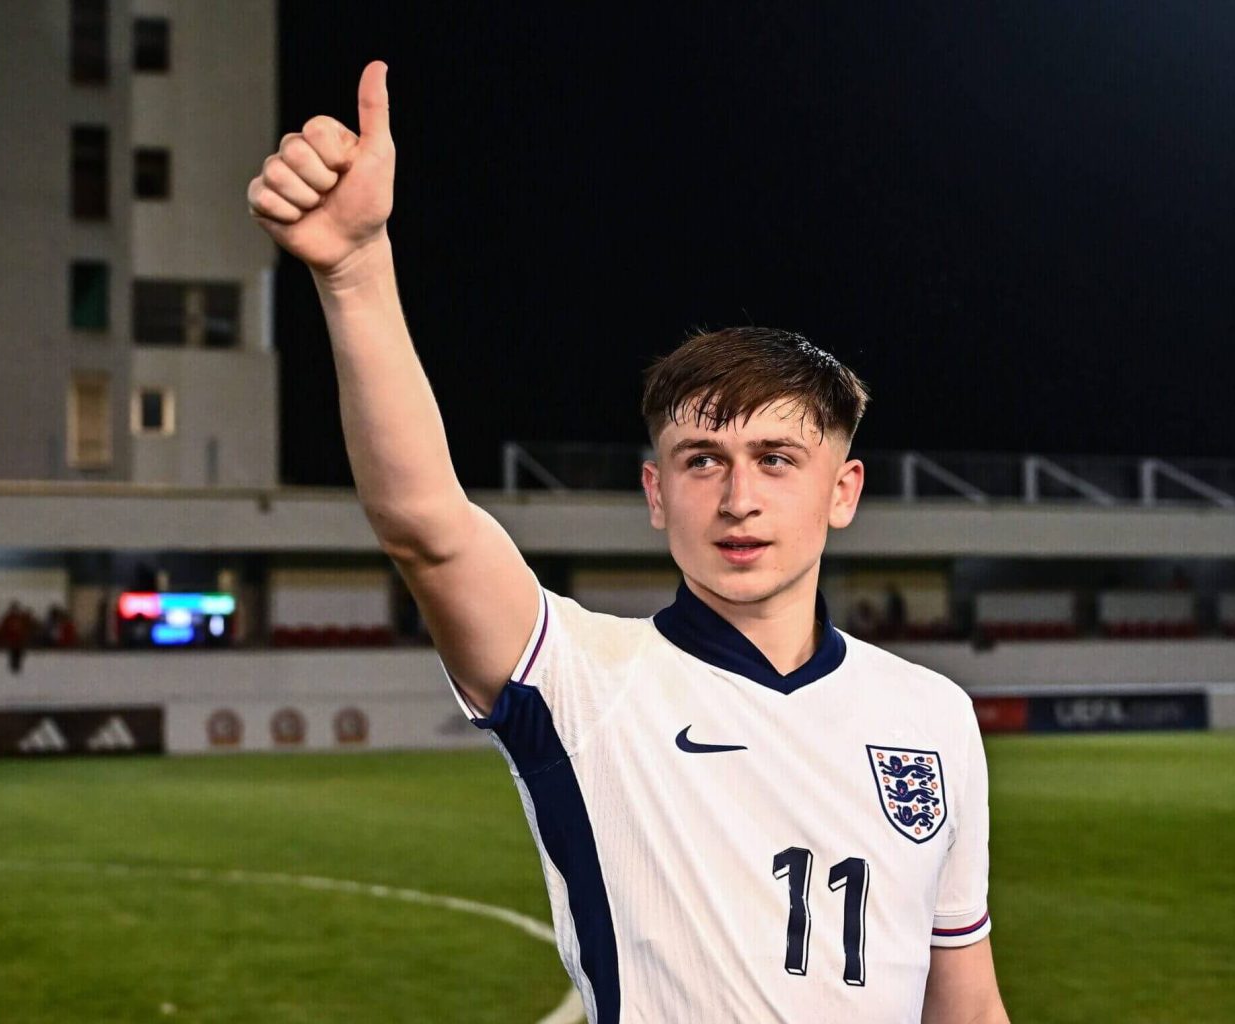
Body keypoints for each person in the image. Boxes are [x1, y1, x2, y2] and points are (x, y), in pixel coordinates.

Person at [248, 62, 1008, 1023]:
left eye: (777, 460)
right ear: (656, 493)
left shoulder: (933, 715)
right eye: (702, 461)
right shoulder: (583, 681)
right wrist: (355, 273)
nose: (739, 499)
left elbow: (968, 1008)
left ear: (843, 491)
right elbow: (427, 529)